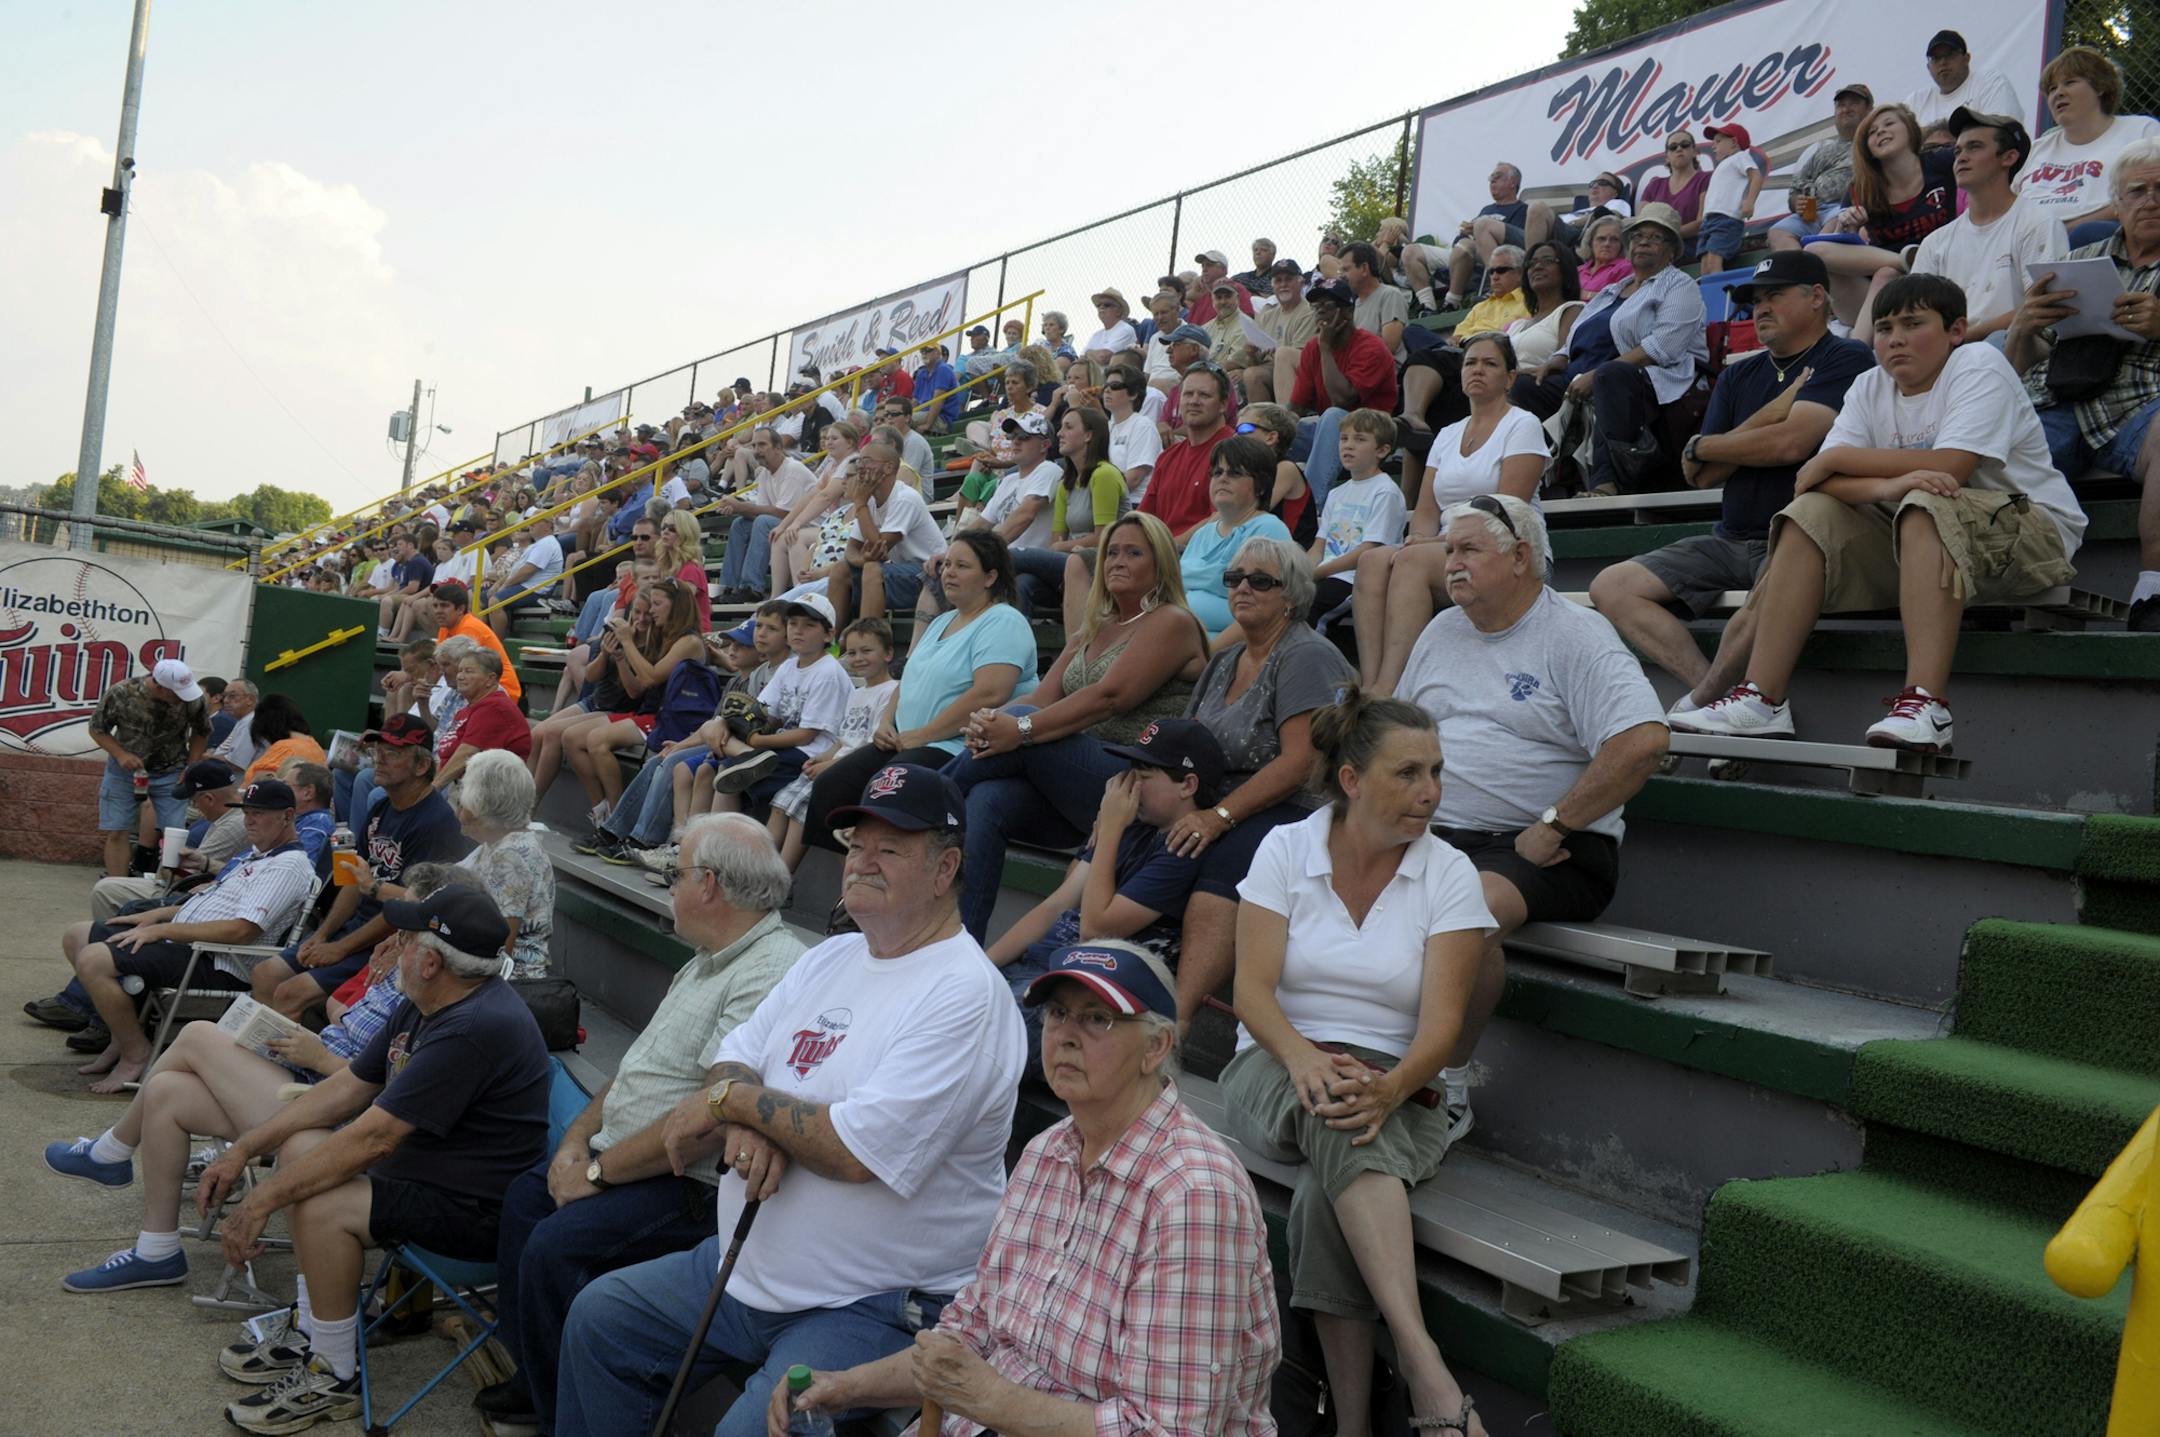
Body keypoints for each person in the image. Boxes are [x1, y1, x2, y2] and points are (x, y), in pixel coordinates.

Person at [560, 764, 1026, 1437]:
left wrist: (733, 1107)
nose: (862, 860)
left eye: (889, 847)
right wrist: (740, 1109)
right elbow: (736, 1053)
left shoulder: (964, 994)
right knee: (601, 1319)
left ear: (945, 866)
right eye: (856, 843)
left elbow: (854, 1150)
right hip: (742, 1265)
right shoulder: (830, 956)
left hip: (872, 1304)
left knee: (750, 1432)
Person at [778, 939, 1279, 1437]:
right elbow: (968, 1335)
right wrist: (846, 1386)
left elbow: (1172, 1431)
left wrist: (992, 1400)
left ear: (1156, 1047)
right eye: (1058, 1013)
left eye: (1097, 1019)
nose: (1065, 1034)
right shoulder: (1048, 1151)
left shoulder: (1193, 1196)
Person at [473, 816, 804, 1435]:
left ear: (709, 886)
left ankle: (557, 1416)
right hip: (628, 1158)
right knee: (525, 1198)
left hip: (690, 1186)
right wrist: (575, 1144)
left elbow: (712, 1119)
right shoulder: (707, 958)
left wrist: (596, 1172)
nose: (669, 887)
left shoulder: (770, 970)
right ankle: (538, 1385)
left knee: (556, 1245)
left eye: (675, 875)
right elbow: (634, 1074)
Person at [1222, 691, 1495, 1437]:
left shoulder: (1450, 871)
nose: (1430, 790)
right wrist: (1304, 1056)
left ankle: (1349, 1423)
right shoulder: (1285, 849)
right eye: (1408, 772)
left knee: (1323, 1188)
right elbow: (1251, 991)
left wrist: (1392, 1086)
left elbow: (1440, 1030)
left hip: (1400, 1082)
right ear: (1351, 779)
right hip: (1275, 1058)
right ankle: (1423, 1364)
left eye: (1436, 770)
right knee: (1337, 1113)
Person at [191, 886, 549, 1434]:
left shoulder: (475, 1026)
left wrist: (259, 1201)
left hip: (474, 1212)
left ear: (430, 962)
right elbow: (350, 1088)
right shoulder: (426, 998)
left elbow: (374, 1140)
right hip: (423, 1177)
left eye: (404, 938)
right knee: (301, 1147)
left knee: (322, 1199)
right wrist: (245, 1149)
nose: (393, 945)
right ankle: (315, 1327)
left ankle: (334, 1373)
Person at [1679, 273, 2088, 751]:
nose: (1894, 339)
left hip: (2030, 534)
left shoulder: (1978, 363)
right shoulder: (1871, 385)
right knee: (1811, 511)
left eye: (1913, 324)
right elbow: (1815, 481)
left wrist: (1836, 458)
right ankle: (1761, 700)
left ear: (1956, 330)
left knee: (1925, 502)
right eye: (1885, 327)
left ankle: (1926, 705)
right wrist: (1889, 482)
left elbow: (1952, 465)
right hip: (1924, 539)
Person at [43, 862, 470, 1293]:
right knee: (168, 1091)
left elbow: (386, 1092)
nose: (400, 936)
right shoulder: (404, 977)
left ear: (438, 944)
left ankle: (111, 1153)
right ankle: (156, 1251)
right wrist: (314, 1040)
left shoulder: (437, 1002)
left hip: (328, 1111)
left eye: (410, 928)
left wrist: (321, 1056)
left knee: (195, 1035)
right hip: (309, 1079)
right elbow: (359, 1036)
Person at [1397, 493, 1669, 1123]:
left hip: (1545, 847)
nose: (1452, 565)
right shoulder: (1442, 631)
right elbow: (1401, 735)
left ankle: (1447, 1089)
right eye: (1447, 552)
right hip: (1436, 835)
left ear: (1521, 557)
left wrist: (1556, 822)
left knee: (1459, 919)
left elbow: (1644, 739)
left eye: (1468, 550)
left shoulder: (1575, 634)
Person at [1590, 249, 1875, 697]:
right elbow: (1699, 474)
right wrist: (1757, 423)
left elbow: (1792, 444)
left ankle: (1705, 704)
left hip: (1800, 542)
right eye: (1755, 300)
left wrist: (1710, 446)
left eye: (1774, 296)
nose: (1760, 308)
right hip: (1730, 540)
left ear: (1817, 296)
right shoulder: (1739, 376)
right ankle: (1714, 695)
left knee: (1778, 580)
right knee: (1611, 586)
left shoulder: (1845, 356)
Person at [946, 512, 1209, 939]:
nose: (1117, 562)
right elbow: (1039, 699)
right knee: (989, 800)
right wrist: (990, 721)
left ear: (1160, 565)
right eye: (1112, 553)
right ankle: (961, 944)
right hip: (1077, 785)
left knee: (1017, 723)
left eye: (1134, 553)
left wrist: (1018, 728)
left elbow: (1109, 698)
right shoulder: (1093, 628)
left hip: (1133, 785)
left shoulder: (1172, 622)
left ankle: (914, 808)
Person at [1169, 538, 1354, 1026]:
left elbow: (1302, 762)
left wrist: (1219, 817)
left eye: (1260, 581)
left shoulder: (1306, 655)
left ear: (1290, 596)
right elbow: (1183, 742)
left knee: (1222, 869)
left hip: (1297, 806)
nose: (1242, 588)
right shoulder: (1225, 660)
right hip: (1223, 798)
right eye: (1234, 579)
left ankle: (1177, 1022)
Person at [60, 779, 320, 1094]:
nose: (249, 820)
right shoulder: (258, 855)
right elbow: (211, 905)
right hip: (187, 943)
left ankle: (135, 1052)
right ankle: (121, 1035)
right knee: (77, 936)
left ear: (288, 816)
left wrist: (163, 930)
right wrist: (157, 915)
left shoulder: (287, 866)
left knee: (94, 959)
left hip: (217, 960)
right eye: (247, 812)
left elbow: (240, 930)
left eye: (260, 813)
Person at [982, 719, 1220, 1049]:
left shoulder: (1182, 849)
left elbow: (1094, 932)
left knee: (978, 1037)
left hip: (1077, 997)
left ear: (1187, 785)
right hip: (1032, 969)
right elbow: (1055, 905)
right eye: (1130, 770)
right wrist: (981, 970)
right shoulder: (1130, 826)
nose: (1128, 784)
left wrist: (1109, 829)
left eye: (1144, 774)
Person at [806, 533, 1038, 847]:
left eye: (962, 566)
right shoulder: (942, 621)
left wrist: (922, 735)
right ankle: (852, 884)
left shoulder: (1004, 621)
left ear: (990, 576)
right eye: (947, 565)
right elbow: (908, 681)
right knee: (831, 786)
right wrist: (886, 723)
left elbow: (990, 694)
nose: (948, 572)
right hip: (906, 740)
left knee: (887, 786)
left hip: (957, 747)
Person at [2019, 137, 2160, 629]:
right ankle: (2017, 591)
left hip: (2144, 405)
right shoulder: (2080, 260)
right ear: (2116, 203)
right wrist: (2024, 324)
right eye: (2138, 190)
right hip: (2060, 397)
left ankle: (2153, 592)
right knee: (1999, 451)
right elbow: (2024, 357)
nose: (2151, 200)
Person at [1355, 333, 1548, 689]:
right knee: (1372, 561)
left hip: (1507, 547)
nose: (1478, 370)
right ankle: (1369, 683)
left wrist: (1437, 543)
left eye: (1490, 363)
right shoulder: (1447, 434)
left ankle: (1390, 687)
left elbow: (1509, 511)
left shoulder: (1522, 424)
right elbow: (1427, 508)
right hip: (1447, 546)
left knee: (1410, 562)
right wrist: (1421, 536)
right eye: (1471, 363)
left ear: (1509, 378)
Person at [250, 714, 470, 1020]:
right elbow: (354, 879)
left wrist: (341, 948)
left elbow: (410, 911)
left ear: (421, 766)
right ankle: (270, 1057)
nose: (378, 760)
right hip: (354, 930)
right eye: (377, 753)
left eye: (391, 754)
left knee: (290, 993)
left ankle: (293, 1064)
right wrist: (323, 935)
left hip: (390, 942)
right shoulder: (381, 807)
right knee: (265, 974)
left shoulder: (436, 823)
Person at [1561, 203, 1709, 496]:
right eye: (1638, 236)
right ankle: (1537, 485)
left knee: (1610, 376)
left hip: (1662, 377)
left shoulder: (1681, 286)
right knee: (1533, 388)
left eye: (1655, 237)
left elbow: (1662, 348)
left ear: (1671, 251)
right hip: (1602, 371)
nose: (1643, 241)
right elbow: (1577, 332)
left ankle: (1606, 483)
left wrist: (1595, 373)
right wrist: (1556, 360)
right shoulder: (1613, 290)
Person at [1905, 109, 2066, 342]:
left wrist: (1960, 339)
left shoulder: (2038, 222)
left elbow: (2040, 309)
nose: (1960, 157)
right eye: (1957, 150)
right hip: (1949, 349)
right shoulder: (1935, 242)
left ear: (2008, 157)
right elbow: (1915, 315)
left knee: (1996, 342)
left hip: (2014, 348)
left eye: (1975, 147)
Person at [1805, 103, 1958, 327]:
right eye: (1872, 132)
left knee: (1885, 274)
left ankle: (1858, 351)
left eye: (1889, 124)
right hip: (1887, 291)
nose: (1881, 131)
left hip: (1945, 271)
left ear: (1910, 130)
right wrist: (1848, 230)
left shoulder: (1942, 162)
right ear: (1867, 147)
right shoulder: (1861, 188)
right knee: (1813, 252)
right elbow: (1840, 246)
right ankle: (1908, 260)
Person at [562, 576, 704, 813]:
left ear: (676, 606)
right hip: (650, 711)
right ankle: (601, 813)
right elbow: (635, 688)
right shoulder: (667, 636)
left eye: (657, 605)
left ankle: (616, 819)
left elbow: (650, 678)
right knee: (571, 738)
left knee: (596, 740)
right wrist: (618, 657)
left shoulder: (687, 640)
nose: (652, 611)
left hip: (669, 719)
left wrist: (627, 642)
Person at [703, 593, 853, 812]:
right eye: (793, 624)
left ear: (829, 635)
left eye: (809, 625)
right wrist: (731, 723)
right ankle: (713, 841)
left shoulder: (827, 672)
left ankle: (724, 841)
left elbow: (806, 735)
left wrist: (757, 741)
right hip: (784, 744)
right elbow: (762, 711)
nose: (798, 630)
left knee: (734, 775)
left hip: (811, 753)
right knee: (725, 764)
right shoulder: (789, 667)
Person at [770, 618, 898, 871]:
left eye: (866, 651)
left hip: (854, 770)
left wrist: (831, 764)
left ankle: (782, 879)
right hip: (834, 763)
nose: (858, 658)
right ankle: (758, 870)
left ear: (888, 654)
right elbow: (844, 736)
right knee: (780, 802)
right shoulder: (856, 692)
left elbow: (872, 745)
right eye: (852, 652)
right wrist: (823, 757)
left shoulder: (892, 690)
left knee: (800, 812)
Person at [2021, 47, 2160, 247]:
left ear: (2100, 87)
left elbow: (2148, 197)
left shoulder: (2141, 130)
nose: (2058, 93)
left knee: (2088, 233)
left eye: (2069, 82)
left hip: (2103, 237)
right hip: (2033, 243)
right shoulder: (2038, 148)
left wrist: (2066, 229)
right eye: (2052, 89)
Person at [88, 657, 211, 877]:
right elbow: (97, 729)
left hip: (172, 769)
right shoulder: (121, 693)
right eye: (176, 693)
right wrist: (120, 754)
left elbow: (201, 731)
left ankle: (169, 886)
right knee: (117, 829)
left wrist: (192, 765)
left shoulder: (193, 699)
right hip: (124, 770)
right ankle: (116, 885)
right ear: (160, 687)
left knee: (175, 834)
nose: (183, 698)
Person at [1288, 280, 1401, 509]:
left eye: (1328, 305)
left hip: (1372, 430)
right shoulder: (1313, 348)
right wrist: (1273, 428)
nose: (1320, 311)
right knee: (1266, 427)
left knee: (1332, 416)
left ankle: (1310, 509)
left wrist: (1326, 349)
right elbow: (1296, 407)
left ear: (1348, 311)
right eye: (1316, 306)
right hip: (1330, 434)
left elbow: (1343, 401)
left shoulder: (1371, 347)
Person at [1009, 406, 1124, 615]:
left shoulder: (1104, 474)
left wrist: (1064, 546)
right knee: (1022, 584)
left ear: (1089, 435)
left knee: (1013, 557)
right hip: (1071, 563)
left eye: (1068, 427)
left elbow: (1104, 538)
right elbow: (1056, 541)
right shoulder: (1065, 483)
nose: (1060, 433)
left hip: (1100, 564)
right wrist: (1064, 546)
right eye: (1061, 427)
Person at [827, 436, 948, 631]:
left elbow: (879, 547)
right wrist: (865, 559)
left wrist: (859, 504)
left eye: (867, 461)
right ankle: (831, 642)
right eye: (859, 461)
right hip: (902, 571)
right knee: (841, 570)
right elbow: (851, 551)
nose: (860, 467)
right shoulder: (870, 501)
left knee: (873, 570)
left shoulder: (904, 497)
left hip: (932, 573)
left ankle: (866, 639)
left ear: (889, 468)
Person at [1183, 436, 1297, 639]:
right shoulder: (1203, 534)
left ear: (1261, 486)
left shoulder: (1268, 530)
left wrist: (1207, 656)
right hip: (1182, 639)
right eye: (1217, 472)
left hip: (1227, 650)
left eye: (1234, 473)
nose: (1222, 478)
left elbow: (1263, 614)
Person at [1309, 409, 1410, 621]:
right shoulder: (1336, 493)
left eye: (1360, 439)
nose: (1348, 445)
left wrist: (1318, 573)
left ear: (1382, 450)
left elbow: (1368, 551)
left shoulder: (1385, 491)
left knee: (1308, 607)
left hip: (1355, 580)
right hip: (1326, 574)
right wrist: (1303, 572)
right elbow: (1320, 545)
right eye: (1344, 439)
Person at [715, 429, 821, 602]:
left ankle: (751, 588)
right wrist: (737, 508)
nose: (757, 450)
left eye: (762, 445)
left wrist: (740, 505)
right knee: (740, 524)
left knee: (763, 522)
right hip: (787, 522)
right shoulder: (765, 473)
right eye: (754, 445)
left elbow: (783, 513)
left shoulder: (792, 469)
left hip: (810, 525)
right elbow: (763, 509)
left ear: (778, 447)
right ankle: (728, 587)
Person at [1770, 82, 1874, 251]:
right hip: (1814, 212)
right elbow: (1796, 188)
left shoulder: (1874, 141)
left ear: (1869, 109)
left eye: (1854, 103)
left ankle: (1812, 268)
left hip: (1848, 208)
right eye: (1841, 105)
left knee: (1833, 225)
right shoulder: (1822, 151)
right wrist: (1797, 202)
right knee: (1778, 231)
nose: (1846, 109)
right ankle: (1799, 272)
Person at [1138, 361, 1235, 534]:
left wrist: (1168, 549)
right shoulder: (1167, 457)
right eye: (1188, 394)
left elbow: (1223, 518)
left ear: (1223, 404)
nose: (1194, 401)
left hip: (1202, 555)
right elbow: (1144, 518)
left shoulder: (1236, 452)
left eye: (1204, 395)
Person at [1435, 161, 1541, 311]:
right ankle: (1438, 303)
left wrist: (1479, 230)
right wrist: (1467, 233)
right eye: (1491, 178)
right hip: (1472, 252)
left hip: (1502, 254)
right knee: (1414, 251)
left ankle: (1486, 287)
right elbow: (1459, 241)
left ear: (1513, 183)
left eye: (1498, 177)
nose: (1492, 181)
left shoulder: (1523, 210)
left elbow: (1516, 243)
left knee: (1473, 236)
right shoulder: (1486, 209)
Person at [1502, 240, 1587, 420]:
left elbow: (1564, 358)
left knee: (1518, 386)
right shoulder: (1518, 325)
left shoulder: (1572, 309)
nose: (1537, 267)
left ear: (1564, 269)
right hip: (1507, 385)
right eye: (1531, 263)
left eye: (1547, 261)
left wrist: (1517, 376)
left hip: (1540, 388)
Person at [1903, 28, 2027, 132]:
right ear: (1928, 67)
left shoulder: (1991, 81)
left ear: (1966, 59)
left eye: (1950, 54)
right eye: (1936, 58)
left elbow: (2002, 132)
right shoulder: (1916, 101)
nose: (1943, 62)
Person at [427, 579, 524, 706]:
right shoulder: (445, 627)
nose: (438, 611)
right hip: (476, 683)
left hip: (500, 690)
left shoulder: (469, 628)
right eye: (435, 606)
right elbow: (440, 664)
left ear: (460, 609)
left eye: (444, 606)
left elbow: (456, 670)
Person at [483, 515, 570, 638]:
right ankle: (482, 641)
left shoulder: (548, 543)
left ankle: (497, 646)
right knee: (477, 598)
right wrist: (498, 584)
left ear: (548, 525)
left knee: (495, 602)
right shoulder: (537, 544)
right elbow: (515, 570)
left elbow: (527, 572)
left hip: (536, 589)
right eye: (530, 522)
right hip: (524, 585)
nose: (530, 524)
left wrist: (505, 586)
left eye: (535, 521)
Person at [1246, 258, 1318, 405]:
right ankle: (1262, 423)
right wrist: (1251, 353)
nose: (1283, 285)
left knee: (1282, 355)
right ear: (1273, 286)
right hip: (1272, 368)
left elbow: (1300, 357)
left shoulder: (1309, 311)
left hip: (1302, 371)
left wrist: (1275, 352)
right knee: (1251, 374)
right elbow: (1257, 361)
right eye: (1278, 281)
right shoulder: (1267, 316)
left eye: (1288, 279)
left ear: (1301, 282)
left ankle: (1287, 419)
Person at [1697, 123, 1764, 275]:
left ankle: (1719, 297)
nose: (1713, 146)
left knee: (1714, 262)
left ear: (1734, 142)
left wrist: (1750, 201)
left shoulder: (1740, 157)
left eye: (1718, 141)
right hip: (1710, 221)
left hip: (1726, 219)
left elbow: (1756, 175)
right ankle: (1707, 297)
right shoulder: (1723, 166)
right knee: (1705, 265)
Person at [1640, 130, 1710, 258]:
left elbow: (1702, 222)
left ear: (1694, 151)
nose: (1679, 149)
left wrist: (1667, 236)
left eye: (1685, 145)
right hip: (1656, 249)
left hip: (1690, 249)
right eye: (1673, 147)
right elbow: (1642, 222)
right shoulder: (1654, 186)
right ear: (1667, 156)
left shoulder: (1706, 179)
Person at [1101, 363, 1162, 503]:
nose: (1107, 390)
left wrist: (1100, 498)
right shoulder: (1108, 426)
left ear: (1133, 394)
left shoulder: (1143, 426)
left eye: (1115, 386)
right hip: (1112, 501)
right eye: (1106, 386)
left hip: (1136, 504)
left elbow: (1133, 479)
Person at [1343, 241, 1409, 363]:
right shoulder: (1354, 305)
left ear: (1364, 269)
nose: (1341, 275)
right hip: (1358, 370)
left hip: (1383, 372)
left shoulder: (1389, 295)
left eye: (1346, 269)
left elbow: (1389, 346)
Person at [1453, 245, 1529, 342]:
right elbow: (1456, 338)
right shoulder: (1479, 307)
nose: (1494, 277)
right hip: (1467, 350)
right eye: (1491, 272)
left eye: (1501, 270)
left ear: (1520, 273)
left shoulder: (1530, 302)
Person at [375, 533, 435, 639]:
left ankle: (382, 633)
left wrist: (393, 595)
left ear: (410, 545)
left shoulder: (417, 561)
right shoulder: (410, 561)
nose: (398, 547)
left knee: (387, 601)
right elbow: (400, 586)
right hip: (412, 595)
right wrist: (389, 593)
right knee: (380, 598)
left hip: (420, 596)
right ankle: (388, 634)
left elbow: (413, 588)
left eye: (400, 544)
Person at [1187, 249, 1255, 324]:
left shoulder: (1237, 289)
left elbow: (1248, 319)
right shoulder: (1202, 298)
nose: (1204, 269)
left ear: (1224, 270)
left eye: (1209, 265)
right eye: (1203, 266)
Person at [910, 344, 962, 433]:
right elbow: (915, 401)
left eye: (928, 351)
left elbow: (938, 400)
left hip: (942, 418)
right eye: (922, 352)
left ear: (938, 353)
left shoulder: (943, 369)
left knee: (900, 421)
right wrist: (907, 415)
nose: (924, 354)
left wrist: (927, 425)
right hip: (925, 414)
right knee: (897, 419)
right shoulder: (921, 373)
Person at [1576, 214, 1632, 296]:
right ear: (1590, 242)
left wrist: (1586, 294)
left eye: (1614, 239)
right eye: (1601, 239)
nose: (1607, 244)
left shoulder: (1626, 267)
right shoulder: (1578, 271)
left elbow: (1616, 298)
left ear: (1621, 244)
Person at [1082, 287, 1139, 364]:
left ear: (1118, 311)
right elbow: (1081, 359)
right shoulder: (1096, 335)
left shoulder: (1125, 329)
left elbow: (1103, 358)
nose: (1101, 307)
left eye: (1107, 305)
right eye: (1099, 305)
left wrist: (1088, 353)